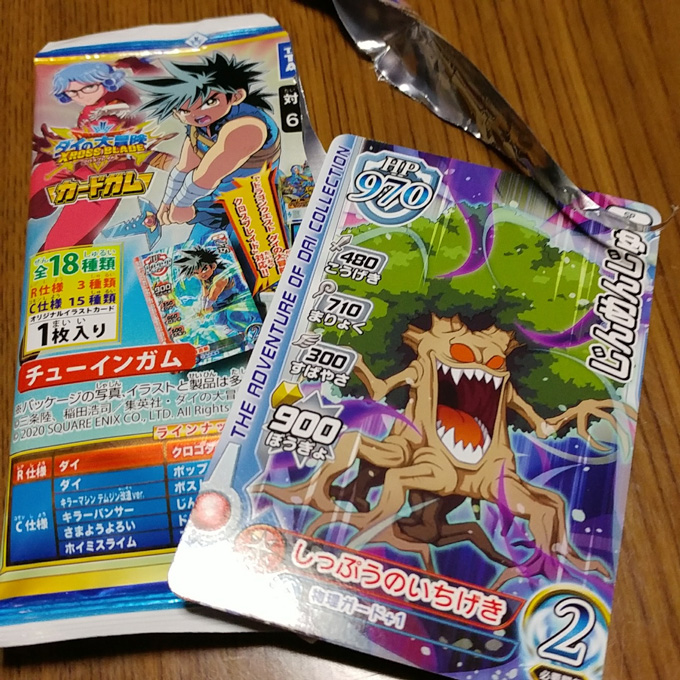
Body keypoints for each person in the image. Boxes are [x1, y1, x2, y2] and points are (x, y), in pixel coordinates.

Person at [134, 53, 281, 245]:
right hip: (217, 205)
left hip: (257, 205)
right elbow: (183, 168)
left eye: (209, 102)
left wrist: (181, 205)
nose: (196, 114)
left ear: (236, 96)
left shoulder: (247, 126)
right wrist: (167, 203)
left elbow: (206, 176)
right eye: (185, 111)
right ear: (176, 113)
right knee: (196, 255)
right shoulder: (199, 128)